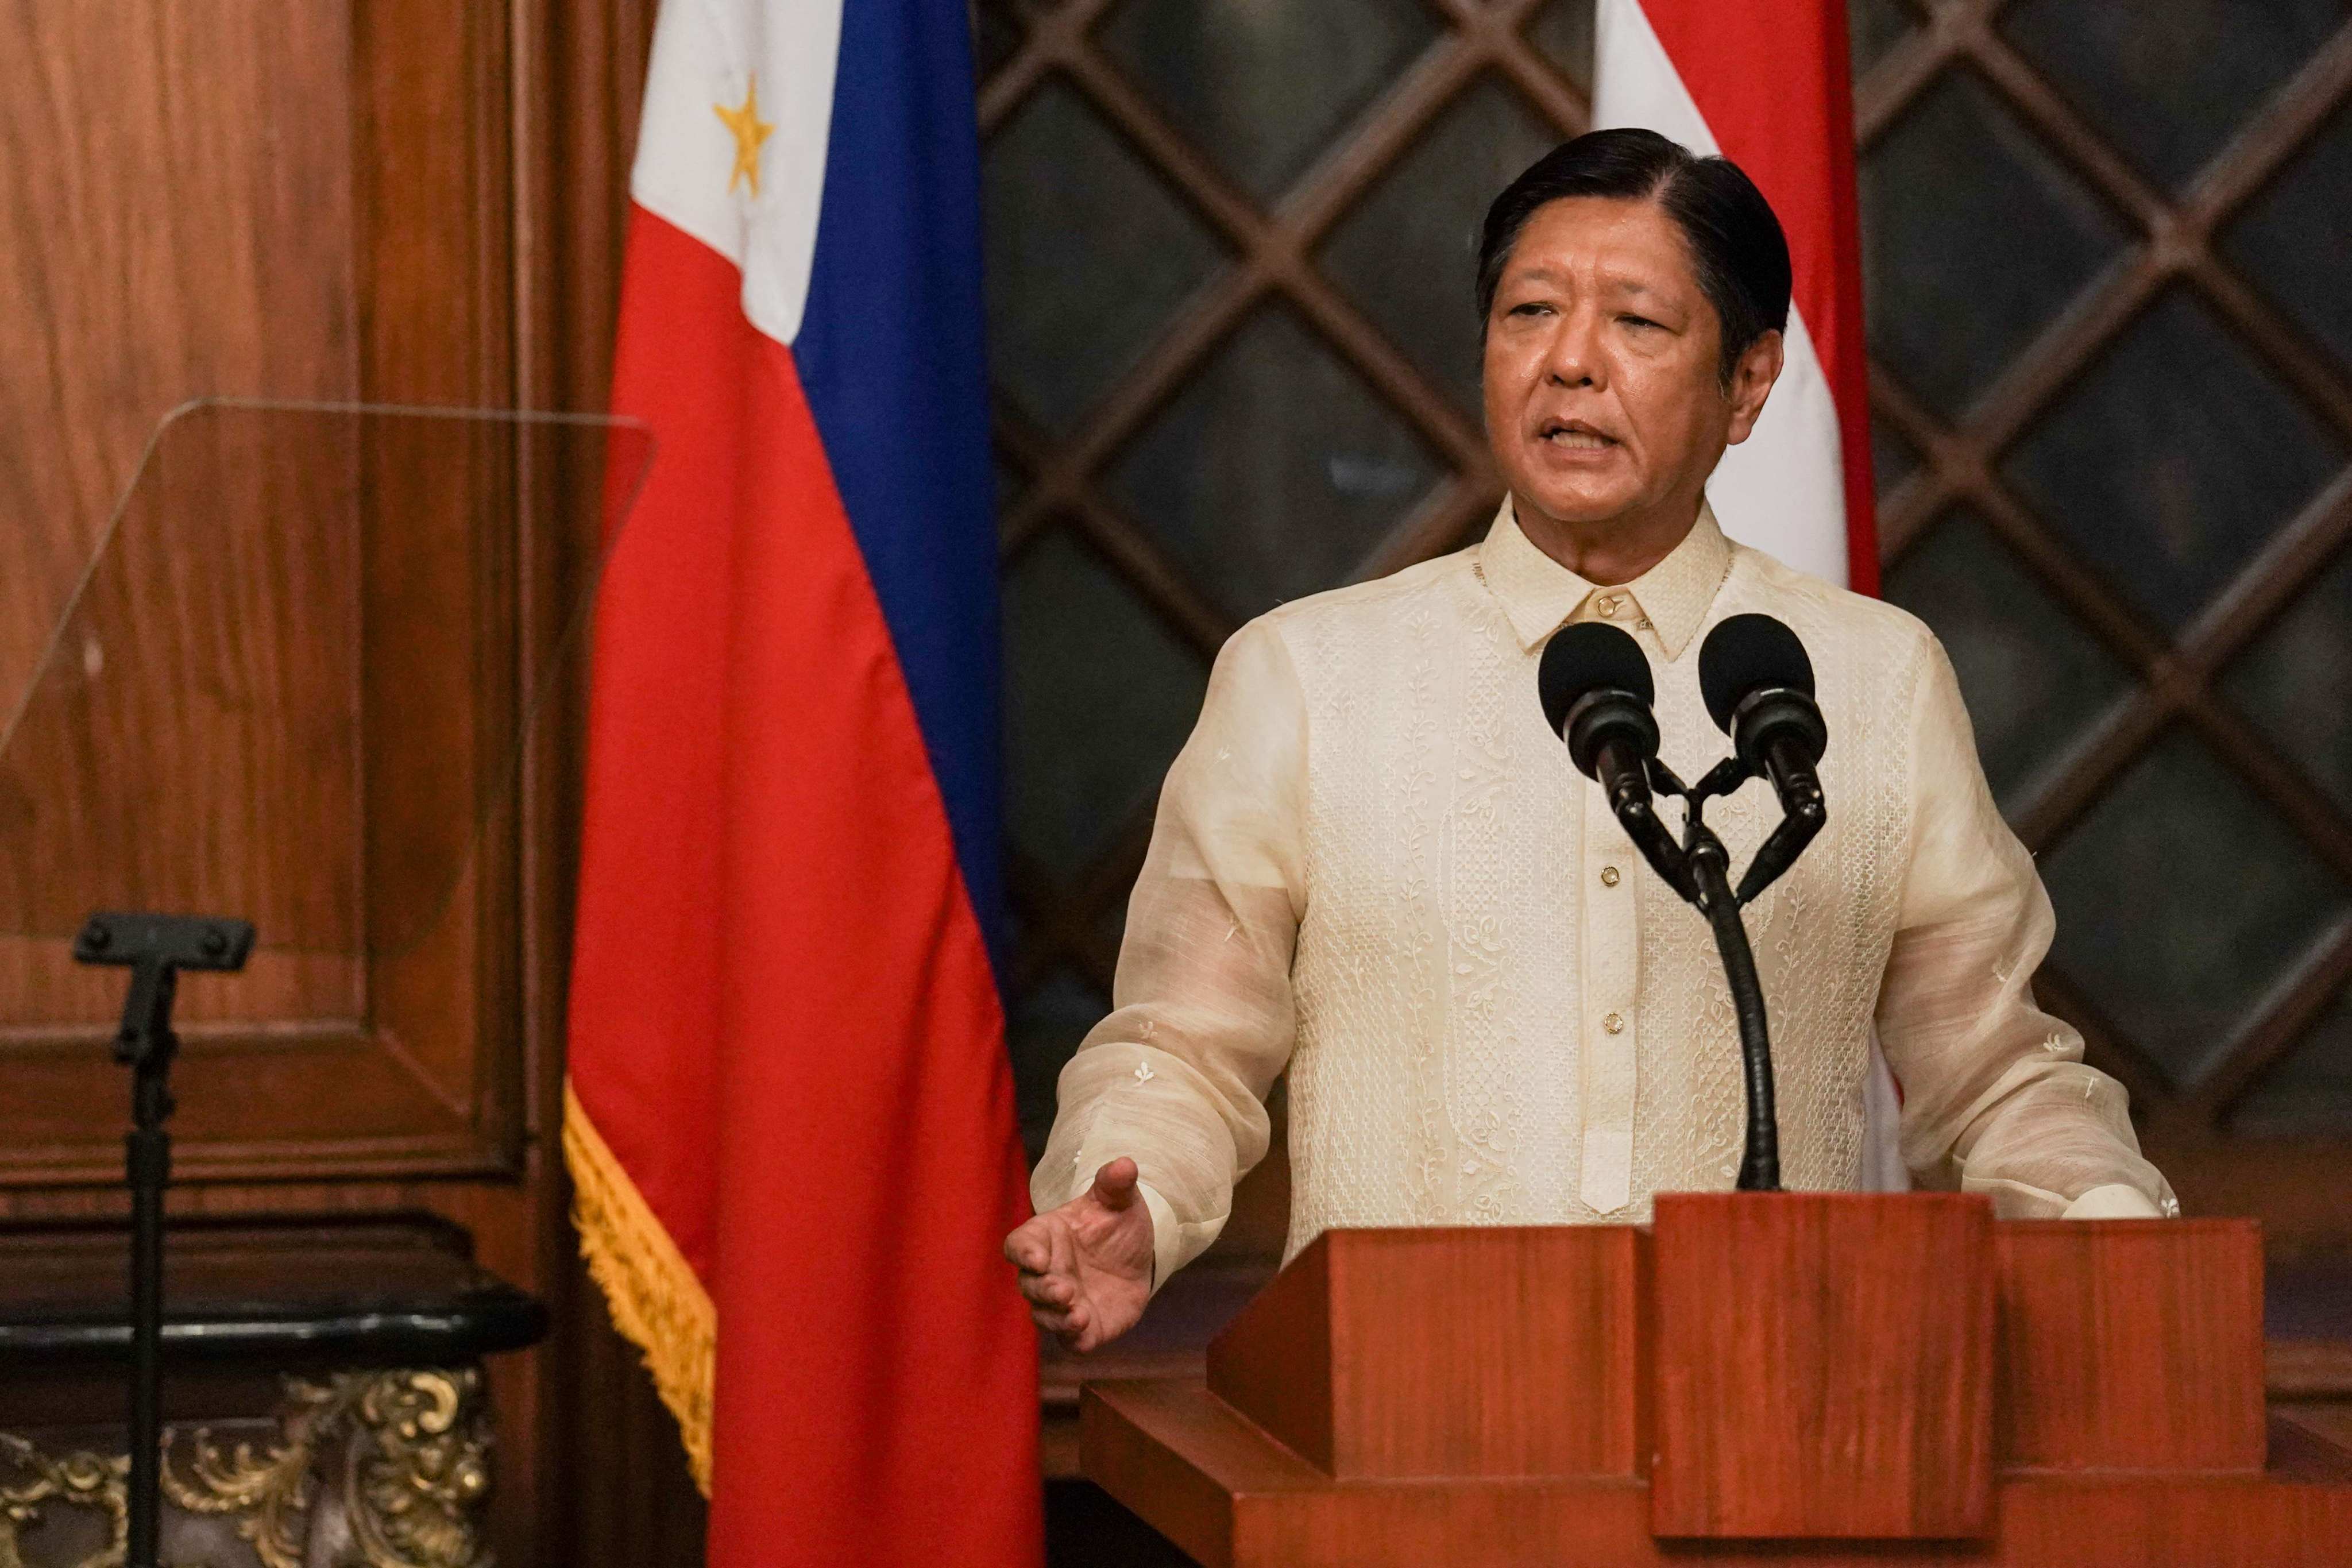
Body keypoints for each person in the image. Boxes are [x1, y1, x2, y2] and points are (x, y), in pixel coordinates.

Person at [1005, 128, 2175, 1354]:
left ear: (1747, 383)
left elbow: (1989, 1067)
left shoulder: (1871, 679)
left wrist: (2109, 1225)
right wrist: (1122, 1193)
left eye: (1636, 323)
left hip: (1782, 1415)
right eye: (1528, 313)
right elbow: (1184, 1043)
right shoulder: (1305, 674)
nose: (1567, 364)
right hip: (1399, 1421)